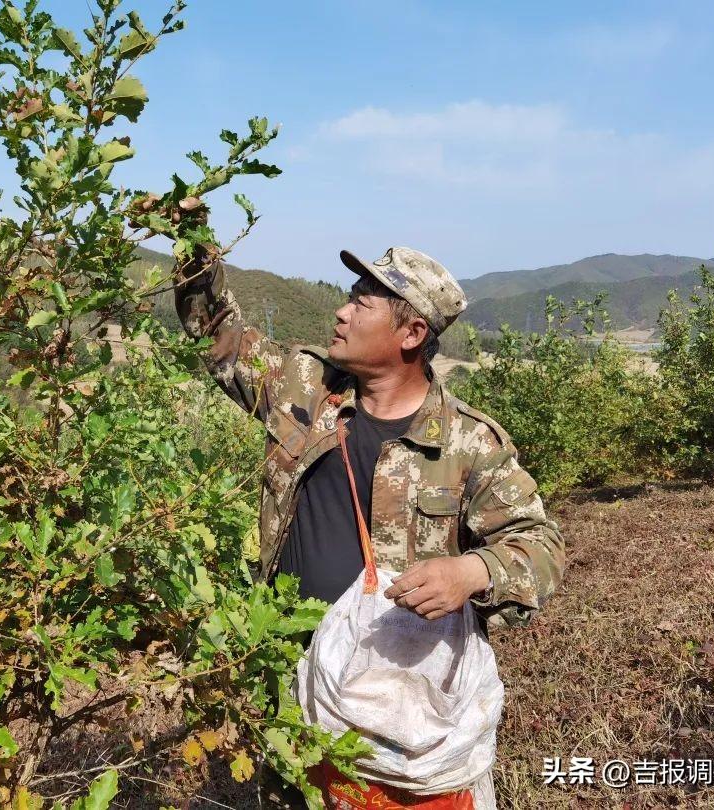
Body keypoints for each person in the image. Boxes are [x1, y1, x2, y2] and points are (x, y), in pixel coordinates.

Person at [173, 243, 566, 805]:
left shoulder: (467, 442)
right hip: (289, 668)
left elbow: (540, 547)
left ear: (411, 334)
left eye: (363, 303)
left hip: (392, 699)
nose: (341, 312)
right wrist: (193, 246)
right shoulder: (305, 387)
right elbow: (219, 335)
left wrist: (472, 570)